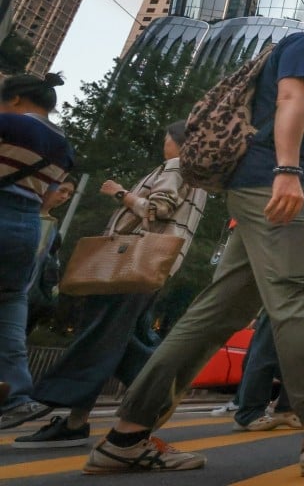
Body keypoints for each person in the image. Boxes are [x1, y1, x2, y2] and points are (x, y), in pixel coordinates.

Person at [86, 0, 304, 475]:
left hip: (261, 191)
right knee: (303, 297)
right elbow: (289, 99)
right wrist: (287, 170)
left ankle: (126, 435)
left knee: (214, 315)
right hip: (280, 188)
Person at [14, 122, 208, 446]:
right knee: (119, 343)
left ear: (179, 142)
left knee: (99, 337)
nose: (164, 144)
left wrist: (120, 193)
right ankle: (87, 417)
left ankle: (56, 404)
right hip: (148, 269)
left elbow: (157, 210)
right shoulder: (195, 178)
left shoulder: (176, 168)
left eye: (167, 138)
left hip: (129, 265)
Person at [0, 73, 75, 430]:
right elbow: (48, 199)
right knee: (9, 308)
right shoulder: (63, 146)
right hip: (25, 226)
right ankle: (16, 397)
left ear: (15, 100)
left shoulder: (8, 124)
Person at [26, 177, 75, 335]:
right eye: (62, 190)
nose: (65, 197)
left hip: (28, 295)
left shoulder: (53, 228)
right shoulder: (20, 214)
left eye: (69, 194)